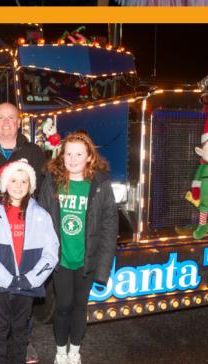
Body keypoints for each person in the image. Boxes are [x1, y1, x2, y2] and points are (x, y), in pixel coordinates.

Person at [36, 132, 119, 364]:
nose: (72, 159)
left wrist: (102, 266)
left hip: (87, 260)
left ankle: (75, 349)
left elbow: (109, 226)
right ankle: (60, 351)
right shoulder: (52, 181)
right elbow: (41, 219)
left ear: (89, 157)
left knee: (80, 305)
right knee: (62, 306)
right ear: (62, 156)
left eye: (79, 154)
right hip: (61, 259)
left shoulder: (100, 184)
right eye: (68, 153)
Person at [0, 102, 46, 363]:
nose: (5, 122)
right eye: (0, 118)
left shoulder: (34, 152)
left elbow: (43, 192)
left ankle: (23, 342)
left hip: (25, 232)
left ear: (19, 122)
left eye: (11, 118)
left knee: (24, 292)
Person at [0, 159, 58, 364]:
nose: (18, 186)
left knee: (21, 329)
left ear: (30, 186)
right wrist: (3, 278)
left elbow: (51, 252)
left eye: (24, 181)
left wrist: (31, 279)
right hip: (0, 284)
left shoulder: (41, 215)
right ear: (5, 184)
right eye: (13, 180)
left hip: (26, 283)